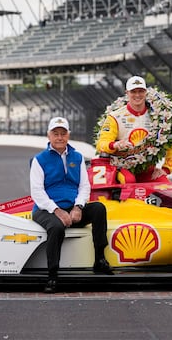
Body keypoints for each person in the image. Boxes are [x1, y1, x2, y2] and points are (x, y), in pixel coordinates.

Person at [30, 116, 112, 293]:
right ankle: (52, 274)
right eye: (55, 133)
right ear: (48, 136)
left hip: (72, 208)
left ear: (68, 135)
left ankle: (100, 259)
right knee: (56, 227)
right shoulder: (39, 159)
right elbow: (37, 192)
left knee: (98, 209)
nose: (59, 137)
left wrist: (79, 207)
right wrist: (57, 211)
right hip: (46, 210)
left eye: (63, 133)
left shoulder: (77, 157)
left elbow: (84, 186)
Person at [96, 76, 172, 182]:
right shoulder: (114, 116)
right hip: (122, 168)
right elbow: (101, 144)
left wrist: (166, 169)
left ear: (146, 92)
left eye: (141, 91)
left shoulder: (159, 116)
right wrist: (115, 145)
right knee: (129, 181)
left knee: (168, 192)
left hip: (147, 169)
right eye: (133, 91)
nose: (137, 95)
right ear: (127, 93)